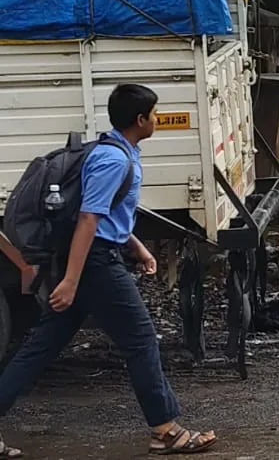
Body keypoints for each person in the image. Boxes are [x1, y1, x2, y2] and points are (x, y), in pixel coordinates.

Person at [0, 85, 218, 457]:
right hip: (95, 264)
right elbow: (88, 219)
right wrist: (71, 280)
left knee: (41, 347)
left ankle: (164, 429)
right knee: (141, 339)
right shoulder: (113, 160)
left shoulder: (118, 152)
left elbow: (107, 214)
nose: (157, 120)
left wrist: (136, 247)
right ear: (140, 120)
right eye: (154, 114)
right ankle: (165, 430)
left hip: (94, 258)